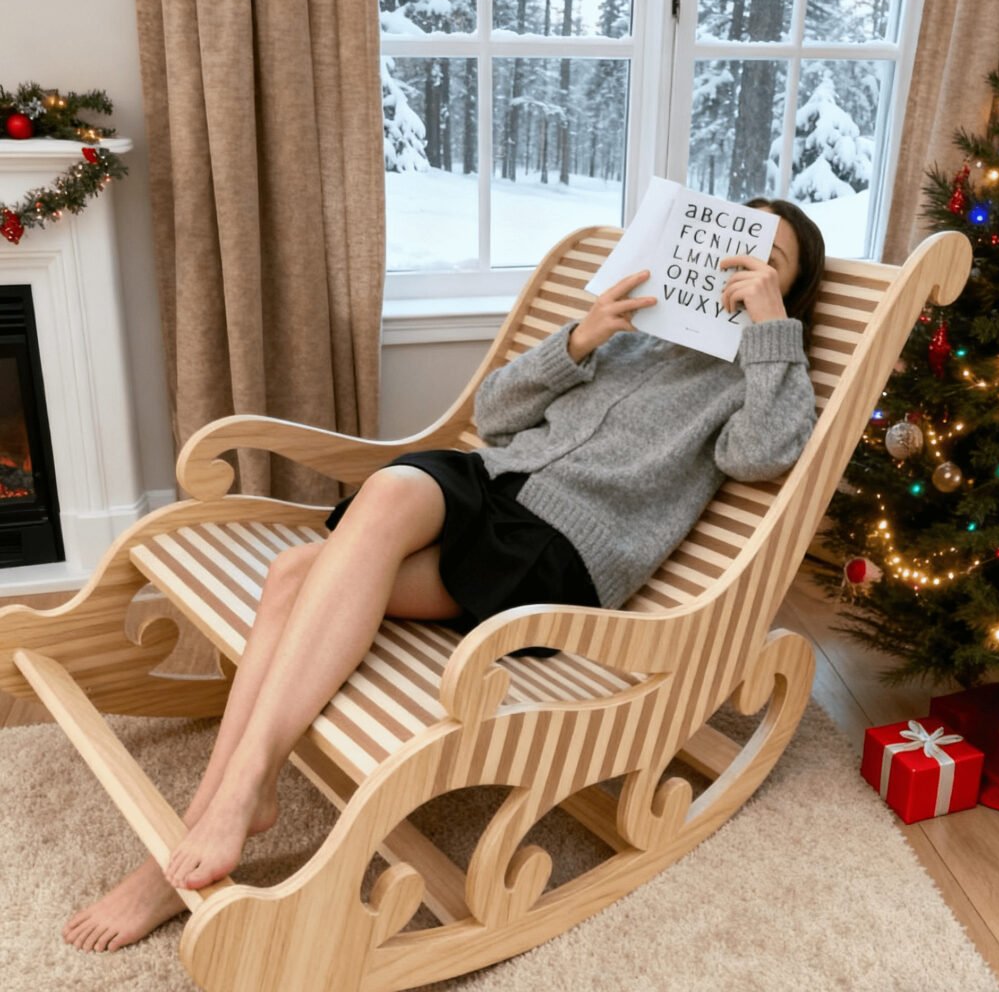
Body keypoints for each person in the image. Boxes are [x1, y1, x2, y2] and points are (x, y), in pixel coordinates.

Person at [63, 197, 825, 952]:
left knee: (298, 576)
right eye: (730, 244)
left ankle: (211, 820)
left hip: (558, 551)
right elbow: (494, 415)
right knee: (367, 510)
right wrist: (583, 338)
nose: (738, 265)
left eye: (767, 260)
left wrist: (769, 336)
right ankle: (239, 795)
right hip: (488, 482)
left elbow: (762, 454)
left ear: (785, 292)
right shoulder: (632, 329)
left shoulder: (761, 374)